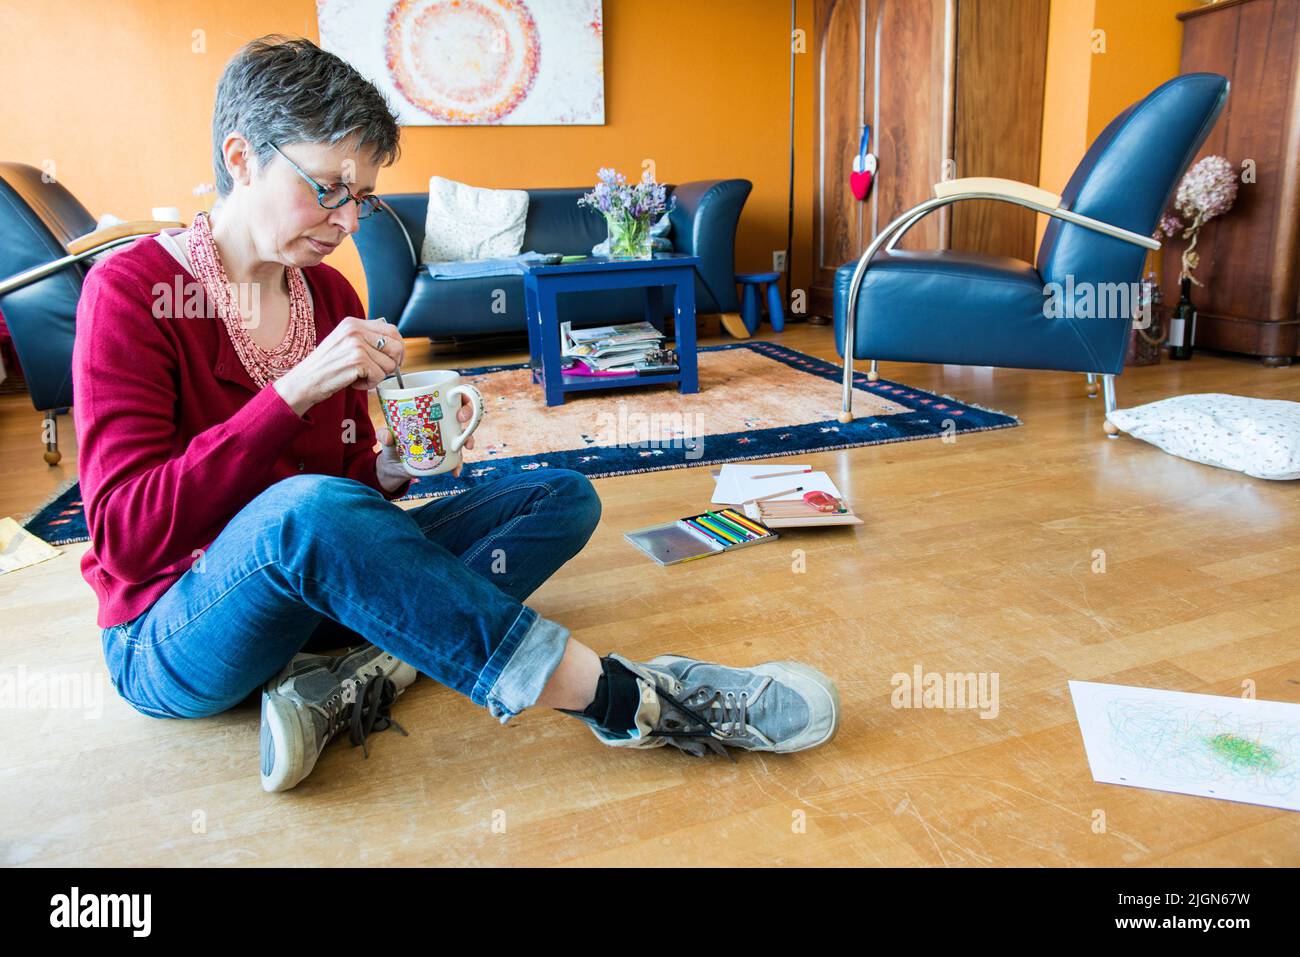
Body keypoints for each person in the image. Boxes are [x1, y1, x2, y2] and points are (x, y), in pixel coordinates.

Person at [73, 35, 840, 793]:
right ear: (242, 159)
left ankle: (363, 671)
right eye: (327, 186)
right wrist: (292, 392)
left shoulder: (331, 297)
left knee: (562, 495)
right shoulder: (132, 292)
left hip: (315, 597)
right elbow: (127, 536)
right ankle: (627, 697)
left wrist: (389, 468)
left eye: (362, 195)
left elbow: (343, 490)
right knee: (304, 513)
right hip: (175, 629)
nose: (347, 219)